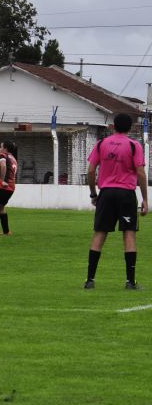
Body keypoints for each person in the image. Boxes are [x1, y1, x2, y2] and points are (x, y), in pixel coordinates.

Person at [84, 113, 148, 290]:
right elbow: (141, 173)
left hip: (106, 193)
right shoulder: (134, 146)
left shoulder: (101, 144)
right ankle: (130, 282)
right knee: (129, 234)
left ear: (113, 126)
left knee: (100, 233)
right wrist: (145, 199)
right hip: (126, 194)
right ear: (131, 128)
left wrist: (93, 194)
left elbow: (90, 171)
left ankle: (90, 280)